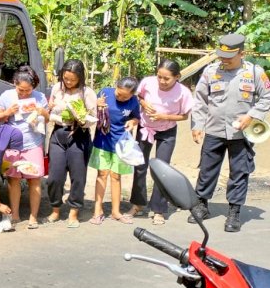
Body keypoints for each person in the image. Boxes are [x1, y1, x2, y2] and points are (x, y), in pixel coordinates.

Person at [191, 33, 270, 232]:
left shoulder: (254, 72)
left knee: (239, 172)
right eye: (221, 56)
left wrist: (252, 115)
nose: (223, 60)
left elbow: (266, 97)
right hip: (214, 130)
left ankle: (234, 212)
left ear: (241, 53)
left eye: (229, 57)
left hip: (241, 134)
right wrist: (197, 125)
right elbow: (200, 99)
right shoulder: (210, 71)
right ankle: (201, 205)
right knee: (207, 170)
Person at [130, 60, 194, 225]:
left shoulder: (183, 92)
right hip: (145, 128)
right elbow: (139, 96)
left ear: (177, 77)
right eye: (159, 77)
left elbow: (185, 116)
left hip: (167, 132)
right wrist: (144, 103)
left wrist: (164, 116)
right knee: (139, 166)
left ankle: (158, 209)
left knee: (162, 169)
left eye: (166, 79)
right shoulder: (148, 83)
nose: (162, 81)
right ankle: (138, 204)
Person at [0, 66, 49, 229]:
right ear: (14, 84)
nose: (24, 93)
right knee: (13, 179)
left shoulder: (39, 97)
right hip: (13, 144)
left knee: (34, 179)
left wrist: (42, 112)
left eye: (28, 90)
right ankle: (15, 214)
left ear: (34, 87)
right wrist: (8, 112)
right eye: (20, 90)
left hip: (33, 142)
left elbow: (47, 119)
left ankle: (33, 217)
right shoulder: (6, 96)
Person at [46, 59, 98, 228]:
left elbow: (92, 117)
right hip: (58, 134)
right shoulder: (57, 88)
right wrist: (51, 108)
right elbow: (50, 111)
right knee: (55, 176)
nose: (68, 82)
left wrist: (81, 119)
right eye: (65, 78)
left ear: (80, 78)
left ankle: (74, 211)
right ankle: (55, 209)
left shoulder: (87, 92)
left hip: (79, 135)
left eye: (72, 79)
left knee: (78, 176)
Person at [89, 77, 140, 225]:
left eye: (125, 96)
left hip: (121, 143)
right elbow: (90, 112)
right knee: (102, 174)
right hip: (102, 141)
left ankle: (116, 212)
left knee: (116, 176)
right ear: (115, 86)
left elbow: (136, 118)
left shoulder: (134, 102)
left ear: (132, 95)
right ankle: (97, 210)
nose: (121, 97)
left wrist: (132, 122)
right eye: (119, 93)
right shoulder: (105, 93)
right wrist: (95, 105)